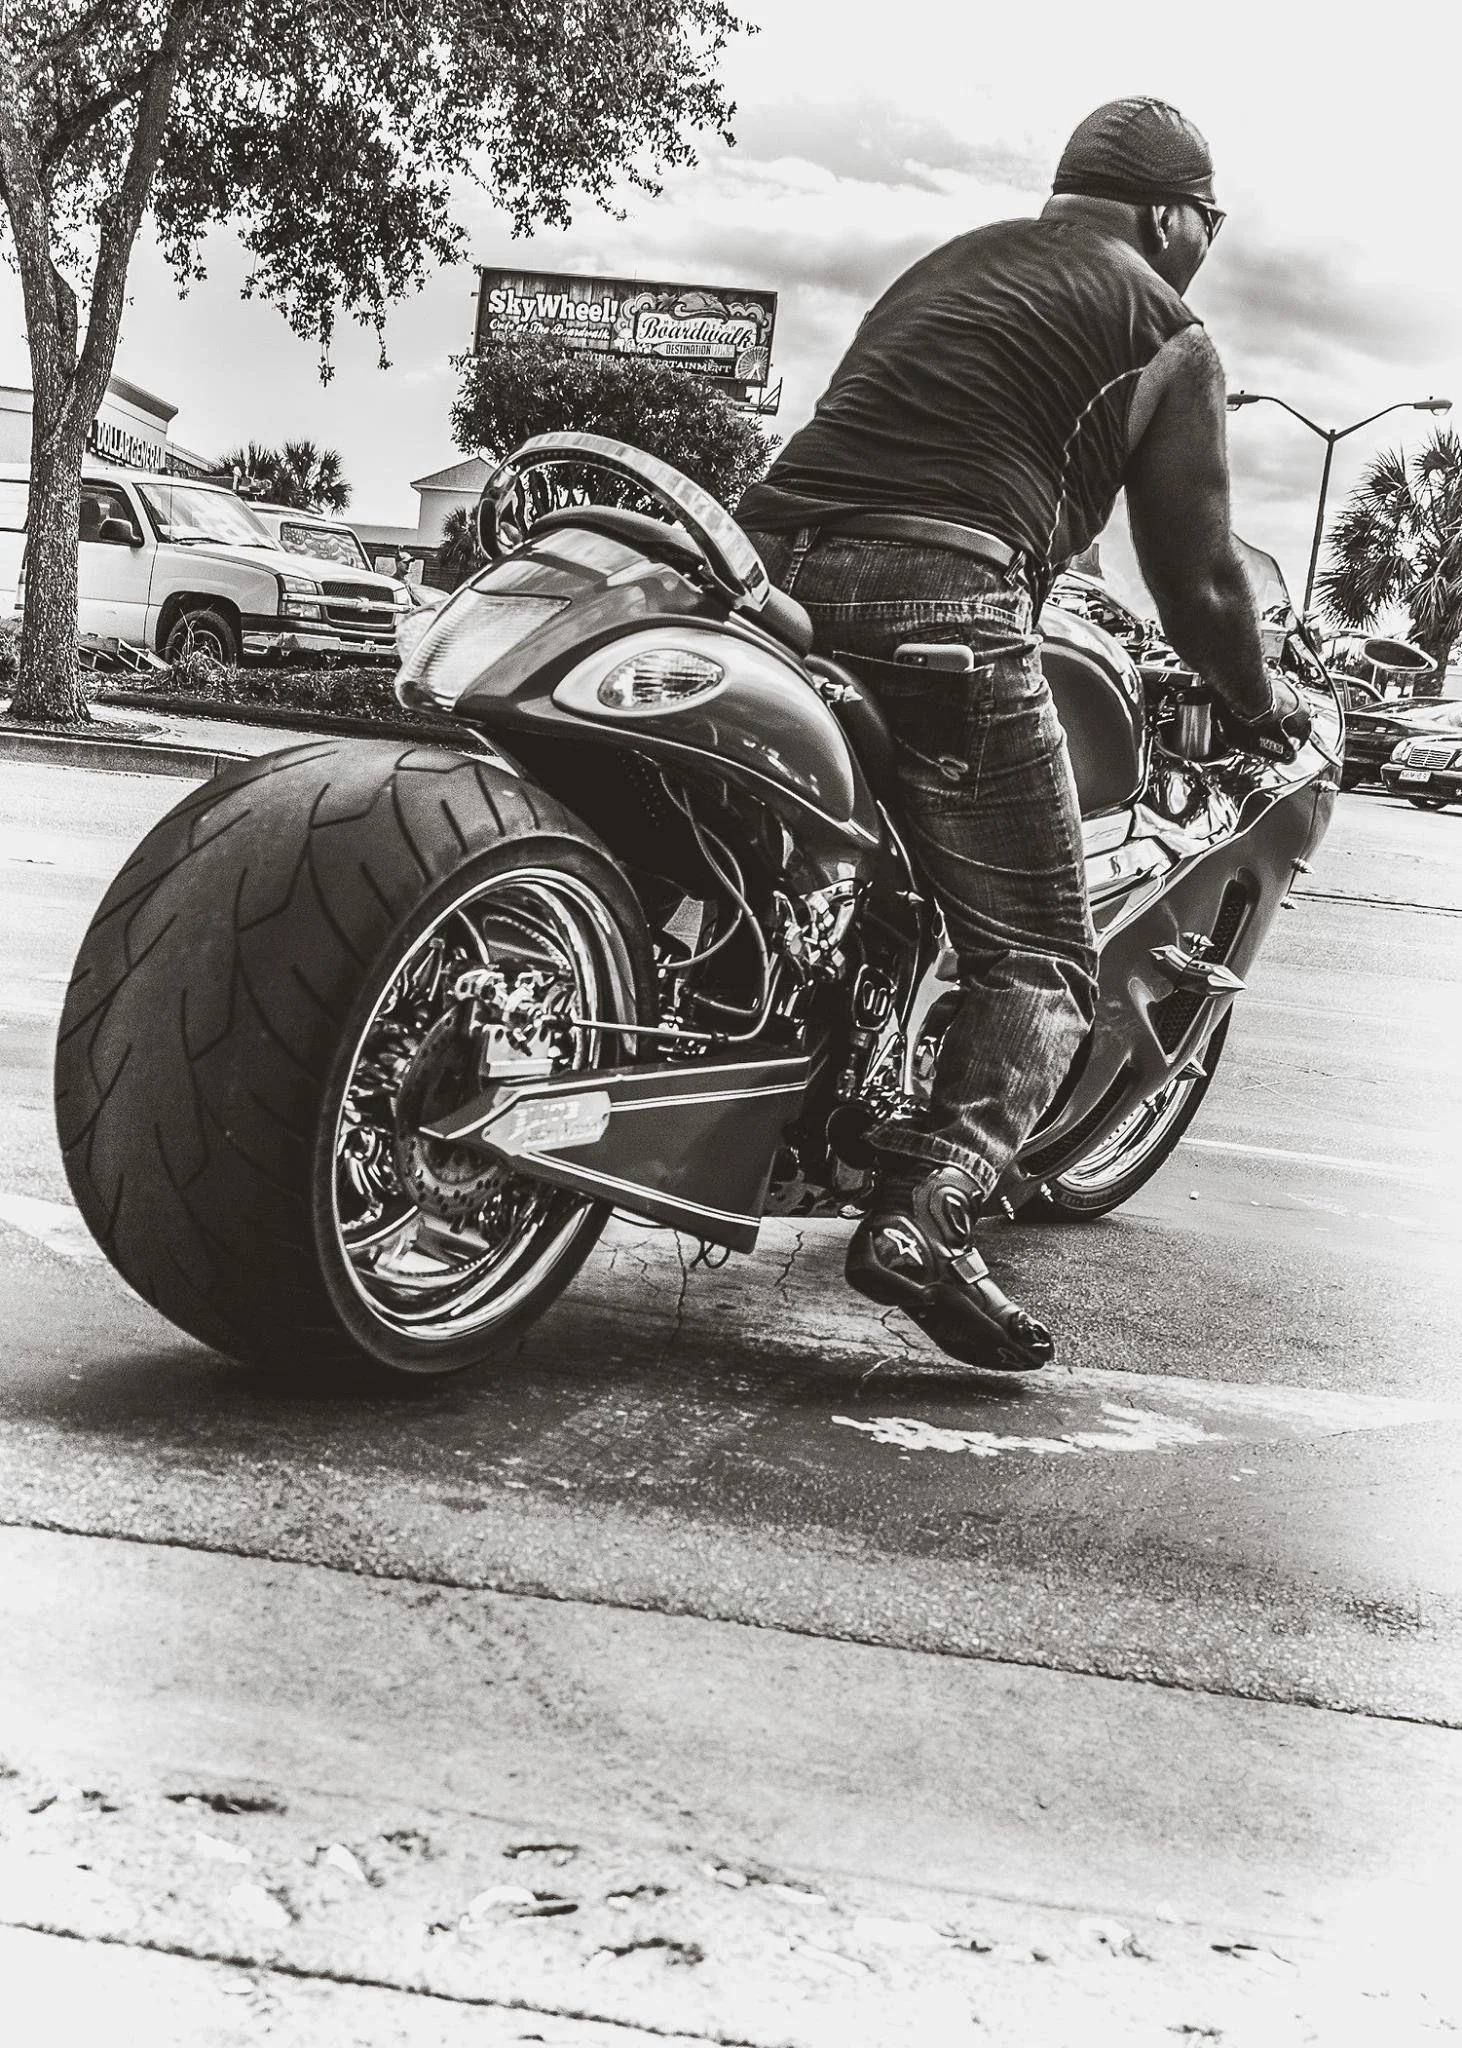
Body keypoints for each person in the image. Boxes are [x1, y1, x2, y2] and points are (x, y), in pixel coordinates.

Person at [737, 96, 1310, 1375]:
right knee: (1041, 954)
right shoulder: (1167, 330)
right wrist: (1258, 709)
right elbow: (1200, 580)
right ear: (1169, 213)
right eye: (1207, 219)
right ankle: (932, 1204)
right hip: (941, 600)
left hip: (771, 572)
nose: (1205, 241)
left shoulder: (946, 267)